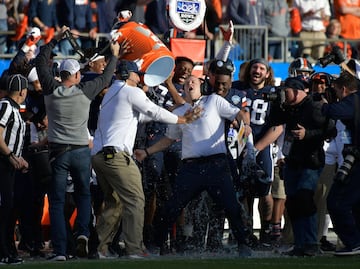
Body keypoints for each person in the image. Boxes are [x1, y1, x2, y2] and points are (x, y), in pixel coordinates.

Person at [91, 60, 200, 259]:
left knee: (114, 202)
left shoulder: (112, 93)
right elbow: (153, 111)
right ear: (128, 75)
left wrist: (169, 112)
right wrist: (182, 119)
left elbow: (140, 117)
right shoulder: (131, 91)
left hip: (99, 156)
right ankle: (134, 248)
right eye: (136, 74)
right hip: (116, 156)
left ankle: (100, 248)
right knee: (136, 199)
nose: (139, 77)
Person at [135, 75, 253, 257]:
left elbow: (238, 112)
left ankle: (243, 245)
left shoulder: (213, 100)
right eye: (187, 82)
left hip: (216, 163)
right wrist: (147, 152)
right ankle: (156, 246)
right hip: (191, 167)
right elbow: (169, 139)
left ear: (201, 85)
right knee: (172, 206)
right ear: (182, 88)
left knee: (230, 206)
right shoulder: (179, 112)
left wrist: (245, 125)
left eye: (194, 81)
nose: (190, 83)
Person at [35, 26, 120, 261]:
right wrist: (114, 54)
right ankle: (82, 233)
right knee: (84, 196)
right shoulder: (85, 91)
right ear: (77, 76)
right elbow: (105, 77)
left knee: (57, 201)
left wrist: (54, 41)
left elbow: (40, 62)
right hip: (82, 152)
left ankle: (61, 250)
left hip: (58, 153)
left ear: (60, 75)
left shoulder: (51, 90)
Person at [264, 77, 336, 256]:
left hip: (310, 162)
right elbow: (272, 121)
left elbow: (331, 131)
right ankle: (300, 244)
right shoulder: (288, 107)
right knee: (294, 203)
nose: (283, 94)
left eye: (285, 91)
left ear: (297, 90)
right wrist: (275, 103)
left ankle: (311, 243)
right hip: (292, 161)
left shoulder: (314, 106)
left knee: (304, 199)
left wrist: (307, 134)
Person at [322, 70, 360, 256]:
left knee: (336, 201)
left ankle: (353, 242)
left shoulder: (352, 101)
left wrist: (324, 104)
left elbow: (334, 111)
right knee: (355, 204)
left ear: (344, 89)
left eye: (336, 91)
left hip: (357, 161)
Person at [0, 74, 29, 265]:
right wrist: (10, 156)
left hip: (9, 164)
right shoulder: (5, 106)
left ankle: (8, 249)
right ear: (22, 91)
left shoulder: (14, 108)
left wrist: (19, 158)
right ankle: (3, 251)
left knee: (10, 208)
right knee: (4, 208)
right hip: (2, 163)